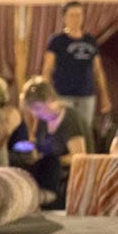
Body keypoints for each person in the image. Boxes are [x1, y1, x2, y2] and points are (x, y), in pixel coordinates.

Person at [41, 0, 112, 132]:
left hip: (86, 95)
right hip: (62, 94)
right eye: (72, 15)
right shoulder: (57, 41)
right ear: (64, 18)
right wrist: (46, 94)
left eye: (79, 15)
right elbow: (47, 68)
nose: (76, 19)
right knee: (63, 129)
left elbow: (98, 70)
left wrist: (104, 95)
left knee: (84, 130)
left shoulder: (90, 40)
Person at [20, 76, 91, 208]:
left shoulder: (70, 120)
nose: (35, 113)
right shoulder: (42, 120)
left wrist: (52, 160)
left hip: (68, 179)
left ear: (50, 100)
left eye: (37, 108)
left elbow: (79, 157)